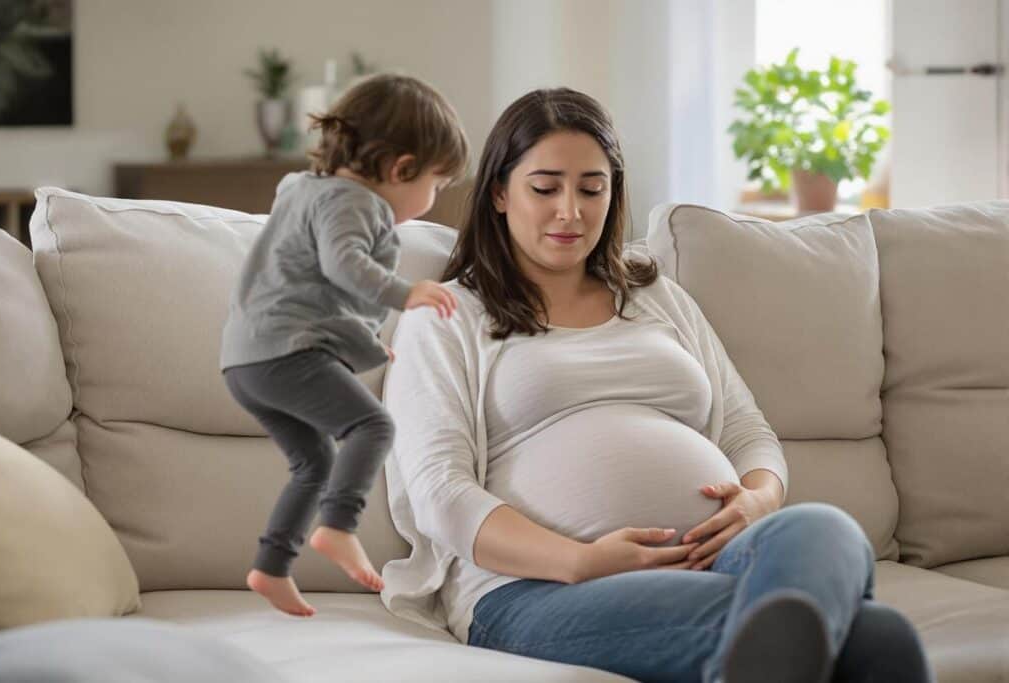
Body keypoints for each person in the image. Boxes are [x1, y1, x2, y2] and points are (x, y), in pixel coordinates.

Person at [380, 88, 933, 682]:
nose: (571, 211)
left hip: (719, 560)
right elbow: (440, 492)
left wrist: (756, 501)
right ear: (498, 193)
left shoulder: (654, 297)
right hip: (533, 589)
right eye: (545, 189)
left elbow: (747, 430)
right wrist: (581, 561)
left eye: (591, 189)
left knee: (826, 528)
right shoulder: (446, 315)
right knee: (878, 640)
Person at [220, 74, 464, 617]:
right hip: (284, 353)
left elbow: (311, 291)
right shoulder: (355, 202)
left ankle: (272, 565)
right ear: (401, 169)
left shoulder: (304, 191)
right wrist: (407, 293)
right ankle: (337, 526)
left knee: (314, 461)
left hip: (245, 362)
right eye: (437, 184)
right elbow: (343, 265)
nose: (433, 200)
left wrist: (366, 345)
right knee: (373, 426)